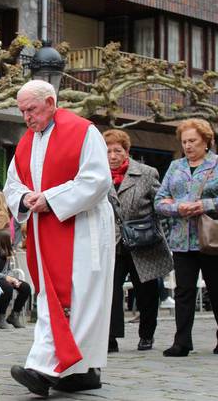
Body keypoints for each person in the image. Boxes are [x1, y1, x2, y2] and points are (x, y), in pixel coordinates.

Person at [3, 80, 115, 396]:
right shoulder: (27, 142)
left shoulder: (83, 132)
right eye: (22, 110)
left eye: (32, 109)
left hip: (83, 228)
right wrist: (24, 198)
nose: (26, 117)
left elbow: (97, 179)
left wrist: (51, 198)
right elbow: (12, 184)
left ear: (51, 102)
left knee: (80, 299)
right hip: (46, 231)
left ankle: (45, 367)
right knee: (52, 296)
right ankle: (81, 372)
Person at [103, 129, 172, 353]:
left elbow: (160, 205)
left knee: (147, 291)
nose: (112, 156)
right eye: (108, 151)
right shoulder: (99, 175)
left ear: (127, 151)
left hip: (143, 240)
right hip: (113, 242)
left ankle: (146, 334)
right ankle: (110, 338)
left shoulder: (146, 173)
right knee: (109, 291)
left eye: (117, 151)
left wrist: (155, 229)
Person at [155, 118, 218, 357]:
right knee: (183, 291)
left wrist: (204, 204)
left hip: (212, 238)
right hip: (182, 239)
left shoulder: (216, 164)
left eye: (193, 141)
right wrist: (178, 208)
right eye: (184, 142)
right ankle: (182, 342)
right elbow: (159, 201)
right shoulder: (175, 167)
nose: (188, 146)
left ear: (206, 141)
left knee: (216, 290)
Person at [0, 230, 32, 329]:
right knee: (7, 288)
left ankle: (14, 315)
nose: (11, 241)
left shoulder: (6, 253)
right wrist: (6, 277)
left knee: (25, 287)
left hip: (4, 278)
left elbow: (8, 270)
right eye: (10, 239)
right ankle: (0, 318)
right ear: (4, 240)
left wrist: (13, 279)